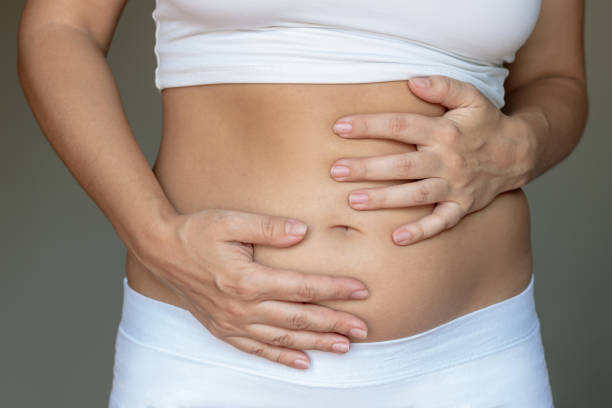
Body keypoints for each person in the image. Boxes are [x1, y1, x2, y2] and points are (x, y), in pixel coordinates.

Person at [17, 0, 587, 406]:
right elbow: (60, 26)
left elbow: (557, 77)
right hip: (212, 355)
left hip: (471, 362)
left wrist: (524, 143)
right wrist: (154, 235)